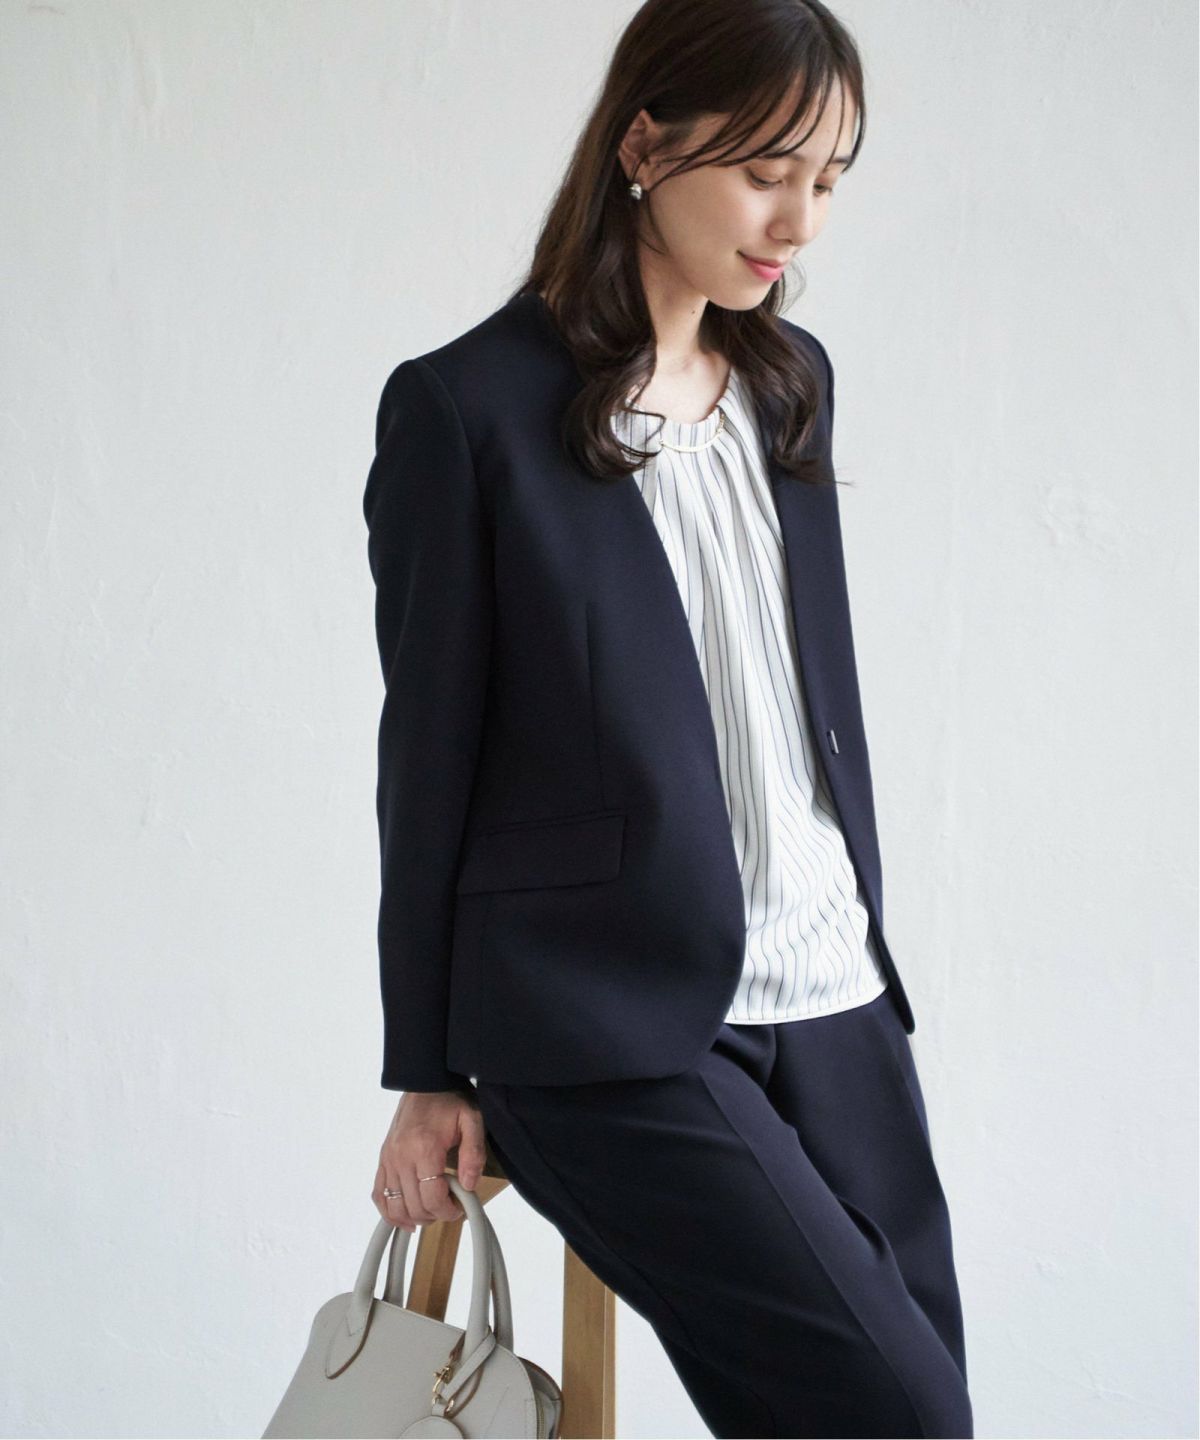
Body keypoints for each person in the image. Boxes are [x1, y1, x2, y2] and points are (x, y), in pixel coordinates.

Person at [363, 1, 973, 1434]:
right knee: (898, 1415)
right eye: (766, 173)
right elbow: (426, 756)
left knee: (921, 1403)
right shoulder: (469, 411)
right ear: (645, 144)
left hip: (833, 986)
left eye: (827, 181)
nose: (798, 224)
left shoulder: (788, 384)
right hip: (608, 1024)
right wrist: (424, 1065)